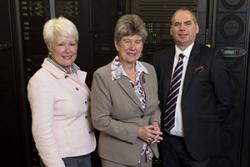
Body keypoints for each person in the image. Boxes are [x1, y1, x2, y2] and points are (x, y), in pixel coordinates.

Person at [153, 7, 233, 167]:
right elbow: (157, 96)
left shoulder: (211, 57)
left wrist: (206, 126)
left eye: (187, 23)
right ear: (171, 30)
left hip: (198, 143)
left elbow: (226, 101)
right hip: (167, 142)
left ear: (196, 28)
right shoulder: (160, 58)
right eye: (177, 24)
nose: (182, 28)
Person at [90, 14, 163, 167]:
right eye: (127, 41)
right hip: (117, 157)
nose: (132, 47)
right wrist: (138, 131)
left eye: (138, 41)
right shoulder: (102, 76)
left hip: (146, 153)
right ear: (117, 44)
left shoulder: (150, 71)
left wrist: (155, 123)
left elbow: (154, 107)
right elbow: (100, 120)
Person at [27, 16, 96, 167]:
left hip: (83, 155)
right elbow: (41, 134)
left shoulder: (75, 74)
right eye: (61, 44)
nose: (68, 50)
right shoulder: (41, 81)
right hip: (62, 160)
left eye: (72, 44)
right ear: (49, 46)